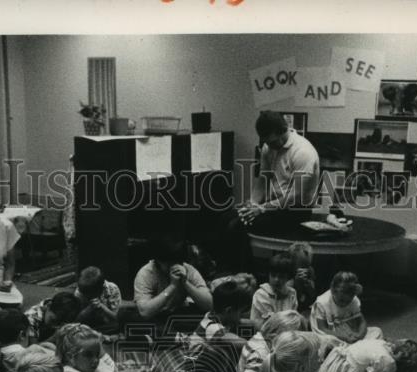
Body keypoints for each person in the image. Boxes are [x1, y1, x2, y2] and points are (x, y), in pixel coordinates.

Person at [221, 111, 321, 273]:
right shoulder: (268, 146)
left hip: (295, 211)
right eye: (267, 142)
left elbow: (296, 195)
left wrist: (261, 208)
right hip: (272, 208)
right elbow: (263, 179)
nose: (270, 146)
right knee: (226, 217)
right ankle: (228, 269)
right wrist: (252, 203)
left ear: (284, 130)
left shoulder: (303, 152)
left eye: (273, 142)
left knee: (237, 226)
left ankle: (243, 274)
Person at [132, 236, 213, 328]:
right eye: (169, 264)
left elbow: (209, 305)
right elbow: (145, 312)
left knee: (207, 318)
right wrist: (172, 286)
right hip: (156, 316)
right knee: (131, 318)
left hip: (178, 314)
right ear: (158, 261)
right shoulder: (146, 273)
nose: (174, 266)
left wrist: (186, 283)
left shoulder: (188, 269)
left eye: (178, 262)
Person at [310, 271, 376, 344]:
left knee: (376, 331)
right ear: (333, 291)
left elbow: (362, 321)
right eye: (341, 300)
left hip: (350, 331)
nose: (344, 304)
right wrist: (344, 338)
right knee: (327, 341)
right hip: (331, 334)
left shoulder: (354, 300)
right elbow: (322, 329)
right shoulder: (322, 302)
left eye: (348, 301)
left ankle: (353, 346)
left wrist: (360, 335)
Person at [249, 250, 299, 330]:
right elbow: (272, 323)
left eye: (281, 276)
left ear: (288, 277)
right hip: (263, 334)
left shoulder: (292, 293)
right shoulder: (261, 294)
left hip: (286, 333)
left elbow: (293, 318)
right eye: (273, 275)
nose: (276, 280)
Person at [74, 265, 123, 335]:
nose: (86, 296)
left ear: (100, 289)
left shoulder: (112, 289)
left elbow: (116, 318)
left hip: (107, 325)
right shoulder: (80, 291)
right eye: (84, 294)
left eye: (89, 294)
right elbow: (76, 320)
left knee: (120, 326)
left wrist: (102, 307)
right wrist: (89, 309)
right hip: (87, 326)